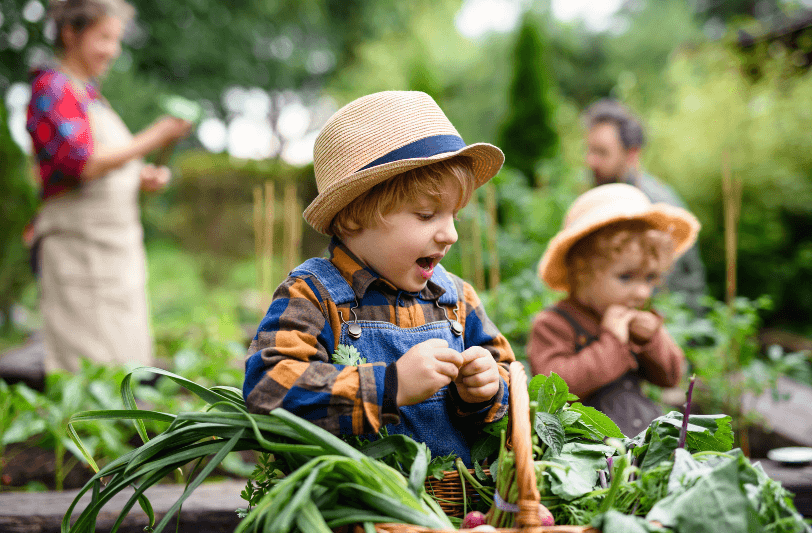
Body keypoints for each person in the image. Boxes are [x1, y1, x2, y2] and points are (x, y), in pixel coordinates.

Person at [243, 91, 515, 465]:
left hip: (455, 511)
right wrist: (390, 386)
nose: (450, 234)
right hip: (357, 513)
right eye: (425, 215)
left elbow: (511, 381)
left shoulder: (456, 300)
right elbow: (270, 388)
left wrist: (487, 390)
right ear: (354, 217)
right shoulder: (314, 296)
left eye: (454, 214)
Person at [26, 0, 192, 374]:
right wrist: (155, 135)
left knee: (124, 365)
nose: (112, 50)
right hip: (78, 254)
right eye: (103, 37)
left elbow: (107, 164)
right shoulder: (52, 88)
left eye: (115, 40)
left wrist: (139, 175)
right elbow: (80, 162)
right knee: (86, 370)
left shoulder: (91, 96)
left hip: (115, 257)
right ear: (70, 33)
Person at [526, 183, 700, 436]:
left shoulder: (635, 317)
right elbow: (554, 390)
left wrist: (651, 339)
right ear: (583, 272)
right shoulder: (553, 324)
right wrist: (613, 342)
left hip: (638, 437)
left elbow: (672, 376)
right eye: (626, 277)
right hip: (583, 448)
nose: (642, 292)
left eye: (650, 278)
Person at [582, 99, 706, 312]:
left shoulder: (654, 207)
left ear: (632, 154)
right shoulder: (605, 196)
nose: (590, 161)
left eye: (602, 153)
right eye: (590, 150)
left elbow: (662, 288)